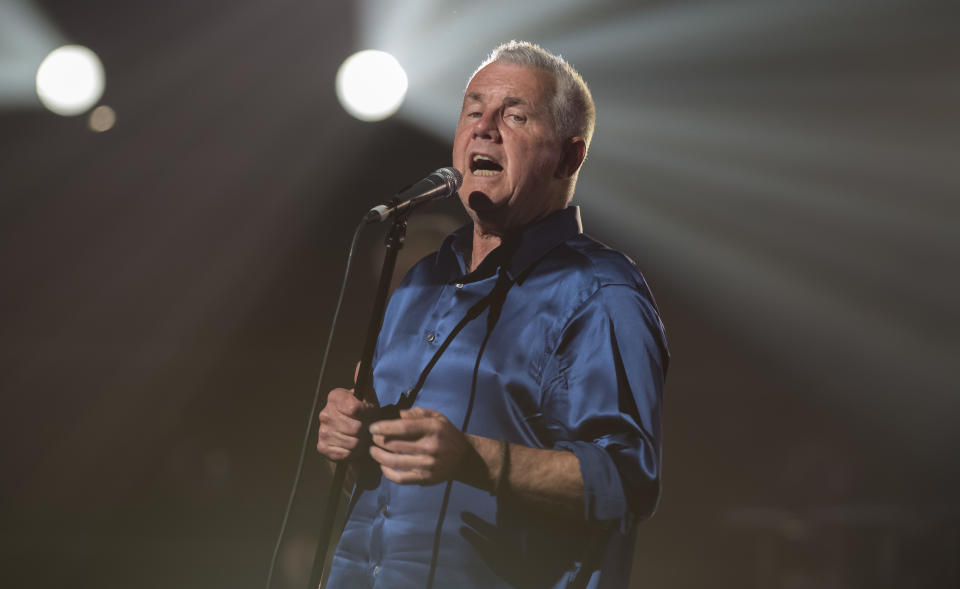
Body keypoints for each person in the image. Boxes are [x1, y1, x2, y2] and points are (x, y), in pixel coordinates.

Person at [316, 40, 668, 589]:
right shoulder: (419, 282)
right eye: (473, 110)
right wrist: (348, 442)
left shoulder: (599, 292)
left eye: (515, 115)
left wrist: (473, 459)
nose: (484, 128)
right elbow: (374, 485)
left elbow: (627, 482)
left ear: (569, 157)